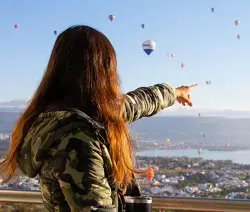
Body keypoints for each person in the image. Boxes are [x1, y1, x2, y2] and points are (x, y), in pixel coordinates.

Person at [0, 26, 197, 212]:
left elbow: (139, 102)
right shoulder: (76, 139)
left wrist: (176, 92)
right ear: (103, 71)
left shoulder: (78, 116)